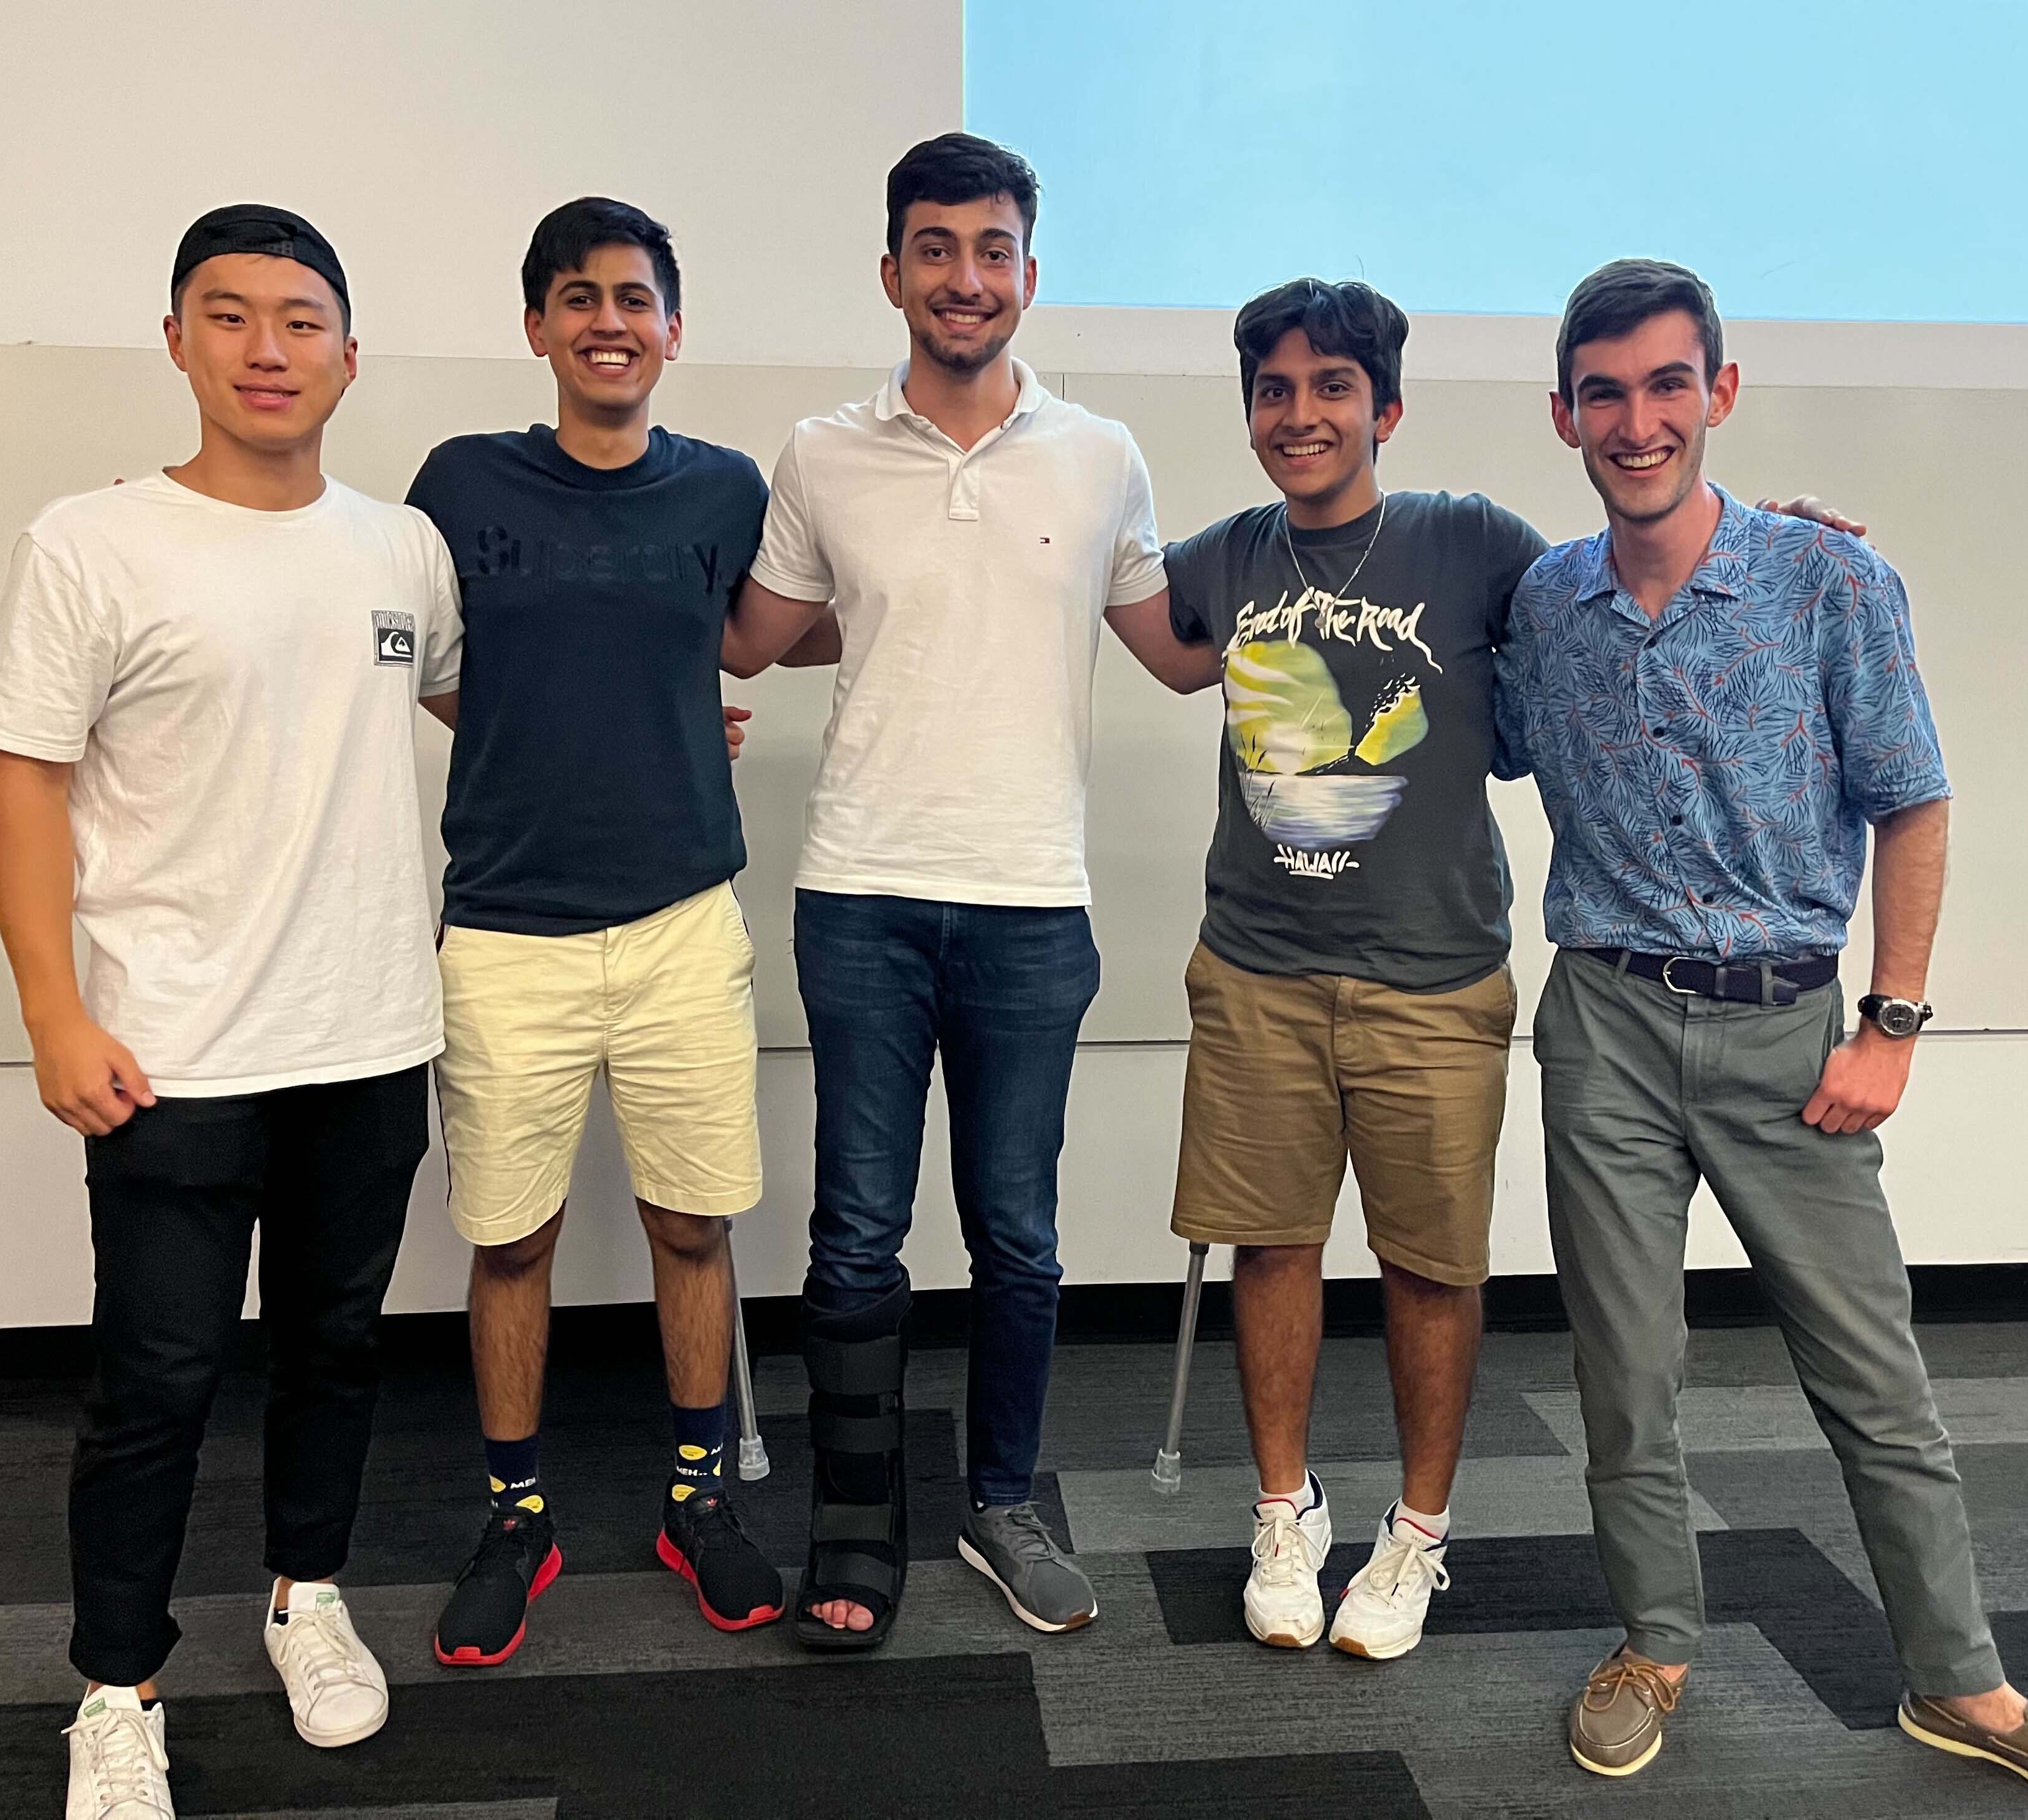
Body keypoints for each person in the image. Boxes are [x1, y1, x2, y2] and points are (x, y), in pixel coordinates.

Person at [1496, 258, 2028, 1814]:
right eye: (1603, 392)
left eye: (1664, 386)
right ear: (1563, 411)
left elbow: (1909, 801)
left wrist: (1889, 1025)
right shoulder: (1541, 603)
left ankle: (1958, 1679)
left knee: (1874, 1381)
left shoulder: (1826, 579)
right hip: (1605, 1031)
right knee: (1622, 1374)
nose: (1634, 422)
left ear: (1715, 390)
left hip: (1790, 1031)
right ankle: (1651, 1644)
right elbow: (1482, 737)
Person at [1161, 279, 1857, 1665]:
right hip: (1254, 970)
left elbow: (1624, 579)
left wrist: (1773, 541)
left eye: (1332, 389)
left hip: (1432, 976)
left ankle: (1416, 1535)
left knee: (1429, 1264)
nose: (1301, 415)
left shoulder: (1470, 541)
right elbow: (1129, 620)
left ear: (1386, 408)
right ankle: (1284, 1509)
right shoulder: (1220, 556)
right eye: (1274, 392)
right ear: (1248, 414)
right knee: (1272, 1245)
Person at [0, 205, 461, 1819]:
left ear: (347, 353)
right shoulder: (92, 542)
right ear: (176, 340)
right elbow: (23, 783)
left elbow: (476, 697)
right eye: (232, 316)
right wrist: (54, 1007)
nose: (269, 348)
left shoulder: (401, 547)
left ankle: (305, 1589)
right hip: (170, 1046)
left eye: (301, 319)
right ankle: (116, 1685)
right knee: (155, 1379)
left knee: (333, 1344)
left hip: (372, 1032)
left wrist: (663, 714)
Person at [721, 133, 1208, 1649]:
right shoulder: (820, 453)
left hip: (1028, 909)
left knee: (1018, 1232)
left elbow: (1181, 647)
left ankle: (1002, 1502)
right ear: (891, 273)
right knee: (854, 1234)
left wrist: (1415, 581)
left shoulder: (1099, 453)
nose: (964, 277)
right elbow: (757, 633)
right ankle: (853, 1535)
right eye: (935, 248)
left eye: (991, 249)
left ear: (1027, 275)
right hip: (860, 895)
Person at [405, 197, 784, 1665]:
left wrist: (665, 726)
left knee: (693, 1222)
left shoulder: (723, 490)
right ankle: (518, 1515)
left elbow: (759, 628)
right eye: (578, 298)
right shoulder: (460, 482)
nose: (608, 321)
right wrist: (553, 730)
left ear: (671, 328)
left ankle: (697, 1498)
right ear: (537, 326)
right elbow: (438, 667)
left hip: (683, 920)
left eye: (634, 297)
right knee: (511, 1241)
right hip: (505, 936)